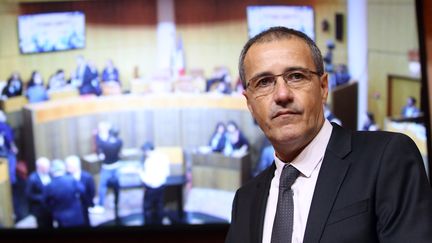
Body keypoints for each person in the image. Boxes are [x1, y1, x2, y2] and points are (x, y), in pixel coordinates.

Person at [225, 27, 432, 243]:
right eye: (264, 82)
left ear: (323, 87)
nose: (282, 95)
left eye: (296, 76)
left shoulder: (386, 159)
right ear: (249, 102)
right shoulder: (245, 200)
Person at [44, 159, 85, 227]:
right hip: (76, 215)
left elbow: (45, 201)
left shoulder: (49, 185)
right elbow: (82, 190)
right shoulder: (71, 179)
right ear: (63, 168)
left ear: (52, 170)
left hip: (61, 218)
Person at [139, 142, 170, 225]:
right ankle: (159, 223)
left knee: (147, 207)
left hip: (151, 187)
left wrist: (140, 173)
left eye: (144, 152)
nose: (144, 154)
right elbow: (167, 173)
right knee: (160, 205)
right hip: (161, 185)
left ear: (147, 150)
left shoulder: (149, 161)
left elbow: (147, 179)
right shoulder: (163, 157)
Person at [93, 127, 122, 213]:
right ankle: (116, 203)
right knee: (117, 186)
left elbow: (98, 142)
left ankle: (101, 206)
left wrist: (96, 134)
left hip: (107, 168)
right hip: (117, 166)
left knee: (102, 186)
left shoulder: (104, 144)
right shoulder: (119, 142)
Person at [65, 155, 95, 226]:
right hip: (70, 208)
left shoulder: (87, 177)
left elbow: (91, 191)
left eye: (69, 166)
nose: (67, 168)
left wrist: (88, 204)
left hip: (84, 206)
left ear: (76, 166)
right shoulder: (65, 177)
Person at [26, 157, 53, 228]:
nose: (48, 169)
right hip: (40, 210)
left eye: (48, 167)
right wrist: (42, 197)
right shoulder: (32, 178)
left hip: (51, 208)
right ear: (39, 167)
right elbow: (29, 195)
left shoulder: (50, 175)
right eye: (46, 167)